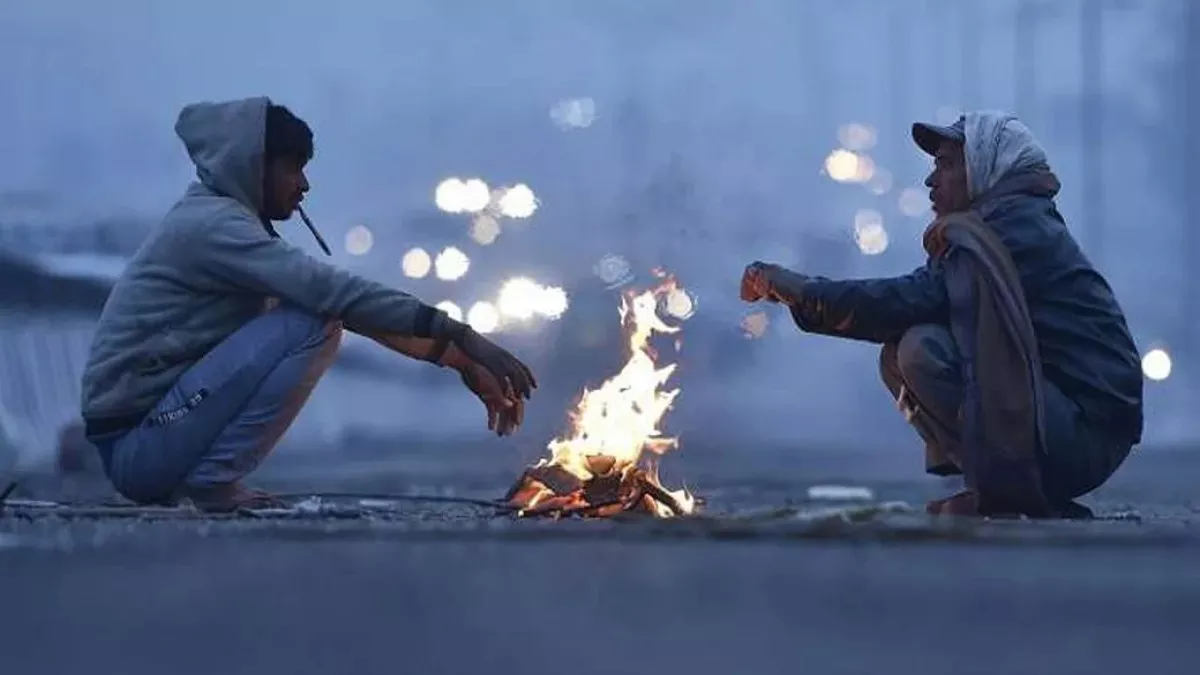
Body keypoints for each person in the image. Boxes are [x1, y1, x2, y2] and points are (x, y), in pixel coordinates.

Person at [80, 96, 536, 512]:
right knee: (314, 321)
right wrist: (465, 335)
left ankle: (208, 480)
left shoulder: (224, 221)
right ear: (255, 166)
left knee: (320, 315)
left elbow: (358, 313)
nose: (304, 185)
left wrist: (457, 359)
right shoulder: (216, 227)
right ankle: (213, 483)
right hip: (139, 447)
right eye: (293, 168)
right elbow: (337, 297)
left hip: (151, 441)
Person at [740, 111, 1143, 518]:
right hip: (1069, 421)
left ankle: (1009, 493)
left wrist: (800, 290)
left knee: (920, 348)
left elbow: (907, 300)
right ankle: (1000, 486)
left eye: (948, 165)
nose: (932, 180)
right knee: (900, 350)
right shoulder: (1001, 224)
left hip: (1085, 433)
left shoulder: (1011, 231)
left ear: (987, 169)